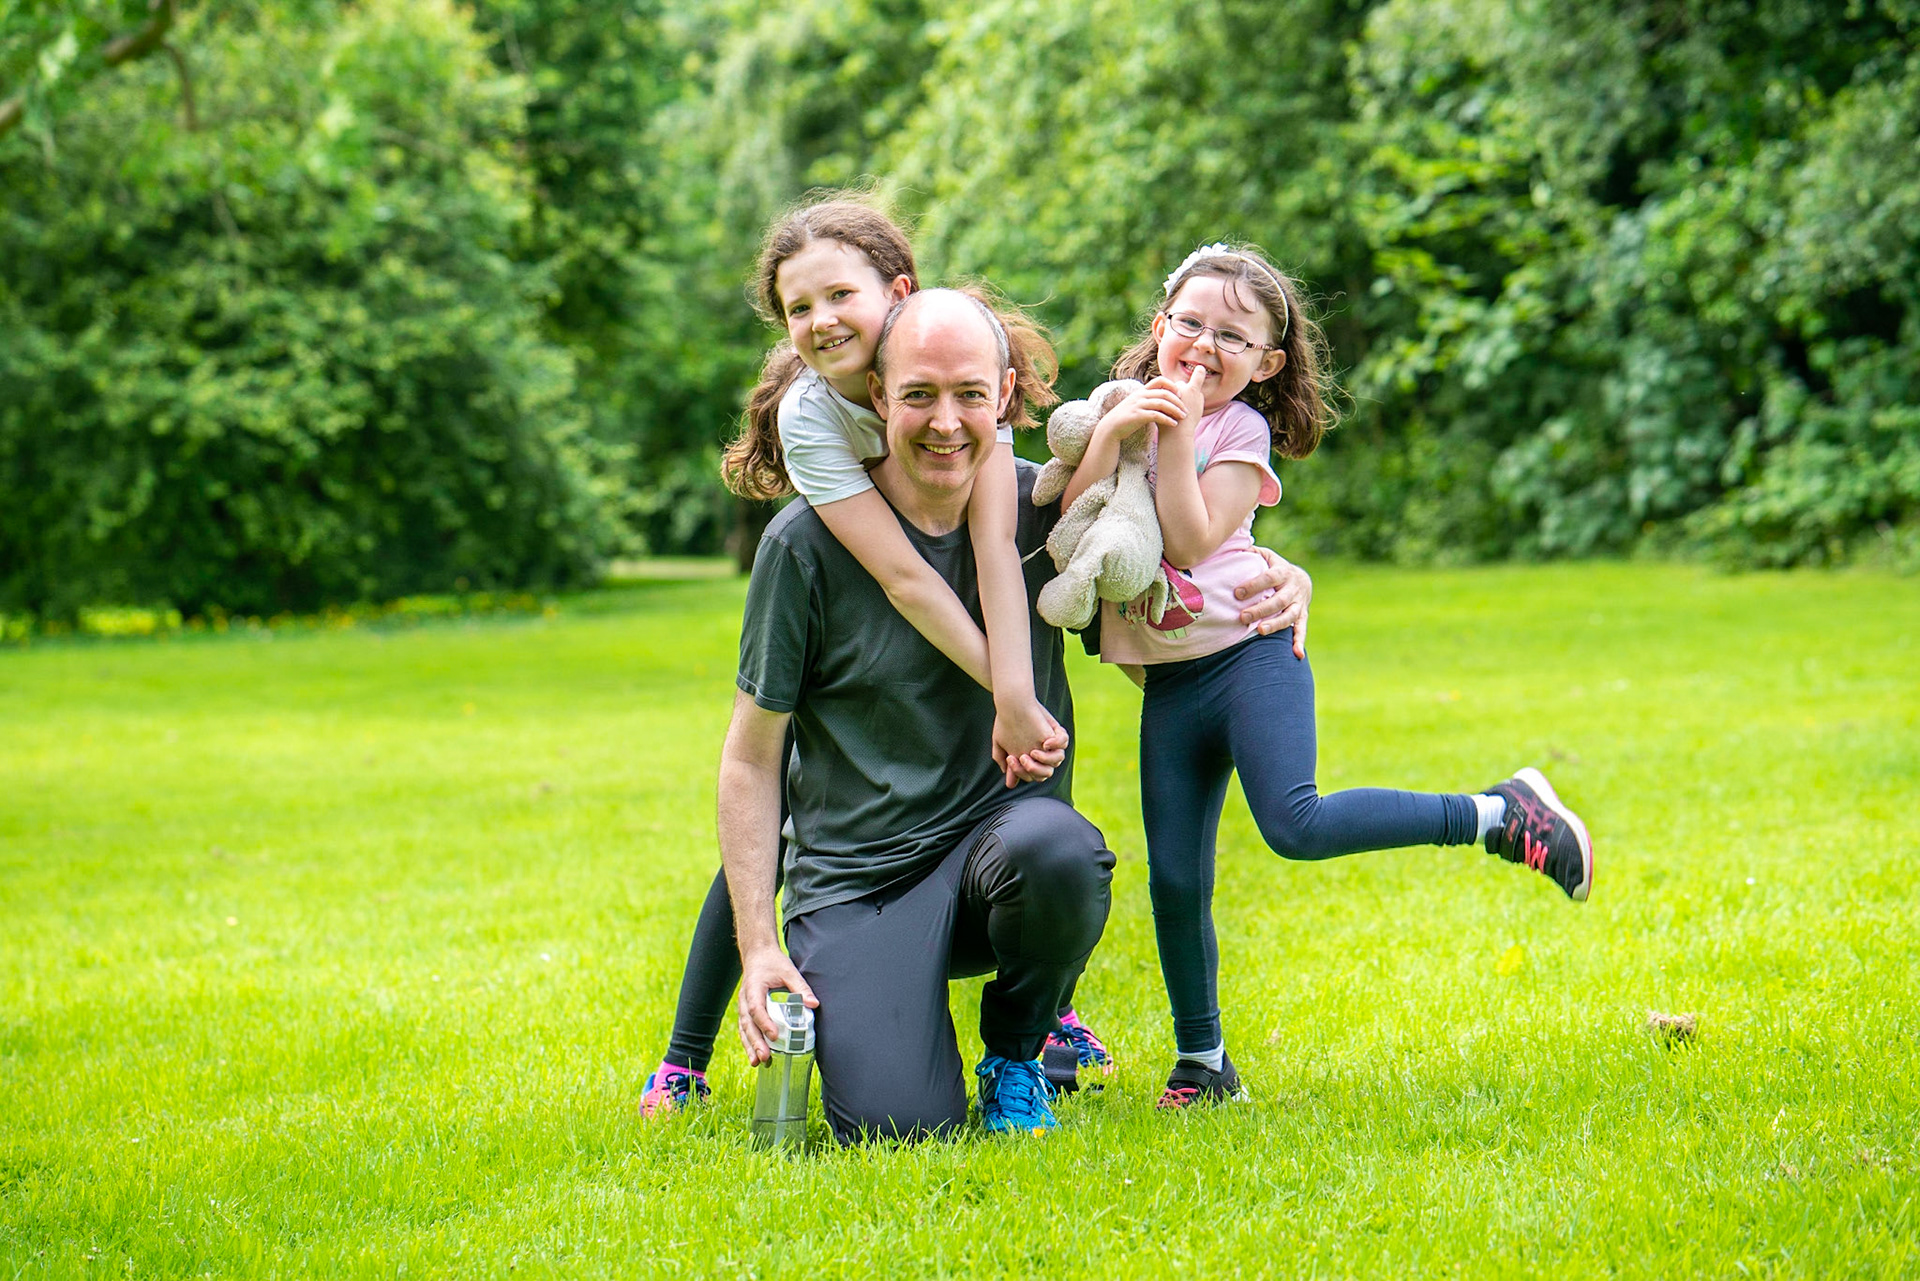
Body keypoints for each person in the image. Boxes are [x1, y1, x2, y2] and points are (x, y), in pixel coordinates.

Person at [1059, 243, 1596, 1110]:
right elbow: (1070, 517)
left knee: (1296, 822)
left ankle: (1500, 814)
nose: (1203, 344)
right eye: (1188, 323)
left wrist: (1179, 430)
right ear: (1159, 327)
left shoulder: (1236, 430)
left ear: (1267, 362)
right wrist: (1124, 431)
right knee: (1176, 878)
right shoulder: (1123, 410)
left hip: (1250, 654)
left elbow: (1192, 542)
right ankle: (1205, 1062)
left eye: (1232, 336)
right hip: (1169, 689)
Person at [639, 197, 1098, 1117]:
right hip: (860, 874)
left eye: (968, 394)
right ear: (882, 395)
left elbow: (1132, 583)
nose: (944, 420)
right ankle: (714, 1045)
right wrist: (759, 938)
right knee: (894, 1123)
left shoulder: (1011, 470)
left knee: (1059, 853)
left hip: (988, 848)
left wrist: (1275, 580)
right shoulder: (809, 498)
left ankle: (1022, 1041)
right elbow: (903, 584)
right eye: (797, 309)